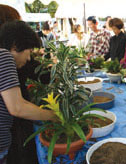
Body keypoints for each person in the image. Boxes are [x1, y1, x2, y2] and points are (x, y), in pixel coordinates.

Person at [0, 20, 56, 164]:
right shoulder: (4, 56)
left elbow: (20, 101)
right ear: (15, 46)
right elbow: (17, 107)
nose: (29, 58)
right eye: (29, 51)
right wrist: (53, 116)